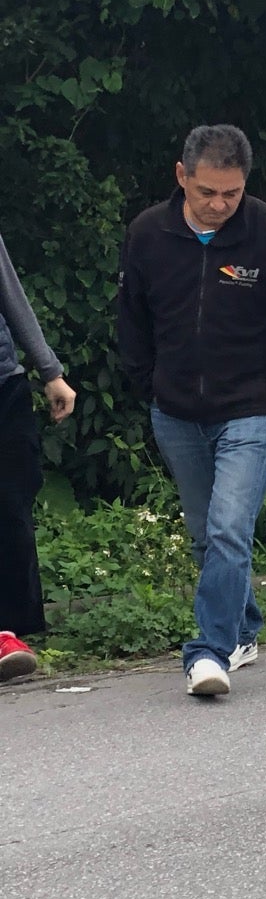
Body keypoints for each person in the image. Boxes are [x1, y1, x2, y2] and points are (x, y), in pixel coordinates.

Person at [117, 125, 266, 698]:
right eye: (206, 192)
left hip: (252, 408)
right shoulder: (148, 235)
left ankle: (208, 652)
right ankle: (245, 626)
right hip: (177, 411)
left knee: (230, 528)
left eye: (231, 194)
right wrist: (151, 384)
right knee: (205, 536)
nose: (218, 206)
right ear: (181, 176)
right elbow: (131, 321)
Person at [0, 232, 77, 681]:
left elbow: (9, 290)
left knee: (10, 506)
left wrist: (49, 371)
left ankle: (6, 632)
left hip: (3, 385)